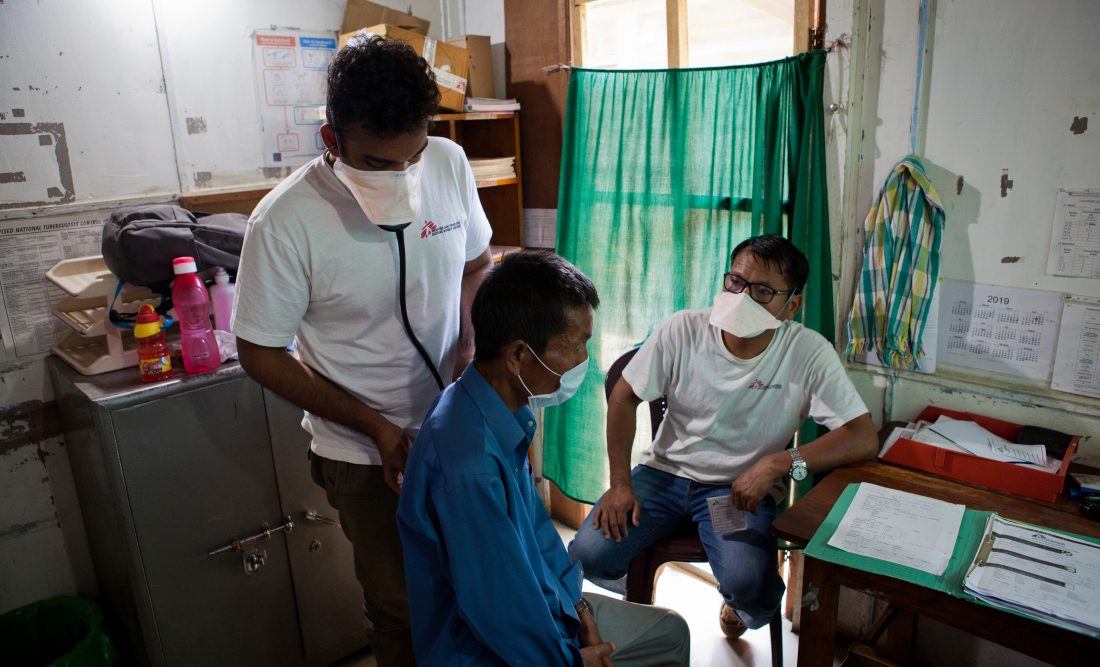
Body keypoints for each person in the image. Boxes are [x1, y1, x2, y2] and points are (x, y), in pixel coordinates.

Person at [232, 36, 493, 666]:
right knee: (402, 605)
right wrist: (375, 427)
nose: (402, 173)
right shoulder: (285, 221)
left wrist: (467, 337)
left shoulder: (450, 162)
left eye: (413, 154)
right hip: (360, 452)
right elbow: (259, 353)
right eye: (378, 162)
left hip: (453, 425)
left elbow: (478, 263)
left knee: (479, 584)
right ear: (331, 139)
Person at [568, 234, 878, 638]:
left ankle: (736, 604)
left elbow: (861, 436)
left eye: (763, 291)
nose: (743, 298)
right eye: (736, 282)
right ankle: (640, 590)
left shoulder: (807, 352)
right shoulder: (683, 329)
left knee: (750, 587)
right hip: (665, 475)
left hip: (737, 490)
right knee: (586, 555)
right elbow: (624, 396)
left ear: (792, 306)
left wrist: (780, 462)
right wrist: (620, 485)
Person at [396, 251, 690, 666]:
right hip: (480, 650)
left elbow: (537, 535)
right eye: (575, 346)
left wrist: (579, 608)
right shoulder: (470, 463)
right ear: (518, 355)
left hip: (535, 609)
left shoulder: (495, 407)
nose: (582, 362)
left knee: (670, 630)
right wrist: (571, 660)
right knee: (663, 641)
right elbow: (498, 611)